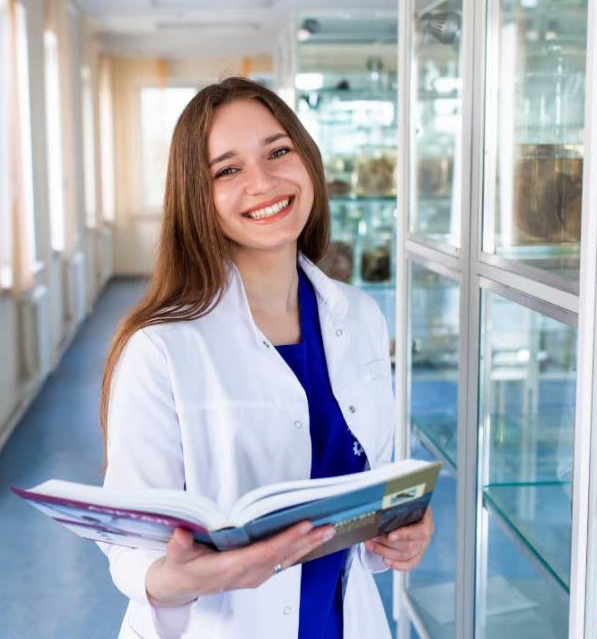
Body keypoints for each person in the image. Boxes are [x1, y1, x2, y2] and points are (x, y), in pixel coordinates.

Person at [98, 77, 433, 639]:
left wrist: (397, 535)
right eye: (227, 170)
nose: (264, 181)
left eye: (279, 151)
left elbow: (367, 493)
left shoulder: (361, 318)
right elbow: (131, 549)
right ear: (197, 199)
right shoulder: (160, 348)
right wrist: (178, 577)